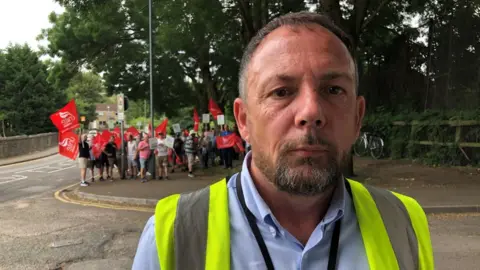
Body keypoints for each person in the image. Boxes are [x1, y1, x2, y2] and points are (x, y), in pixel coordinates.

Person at [132, 12, 433, 270]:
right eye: (281, 91)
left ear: (357, 117)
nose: (311, 112)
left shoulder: (404, 223)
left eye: (332, 90)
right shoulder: (173, 235)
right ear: (244, 120)